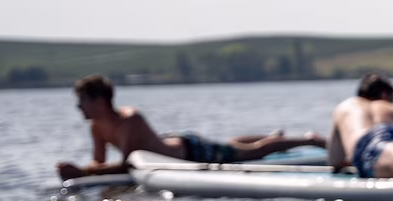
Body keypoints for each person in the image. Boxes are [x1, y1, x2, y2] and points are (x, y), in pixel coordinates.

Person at [55, 74, 324, 179]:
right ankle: (274, 135)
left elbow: (128, 164)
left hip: (190, 152)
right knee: (231, 143)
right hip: (172, 143)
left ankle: (309, 140)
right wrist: (86, 172)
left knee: (251, 152)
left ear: (100, 101)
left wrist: (81, 172)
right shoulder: (96, 126)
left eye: (82, 102)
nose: (79, 108)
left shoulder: (129, 119)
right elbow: (98, 163)